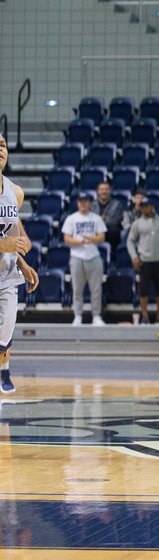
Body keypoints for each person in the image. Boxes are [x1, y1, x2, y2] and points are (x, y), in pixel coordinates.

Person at [0, 137, 39, 394]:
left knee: (5, 332)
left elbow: (13, 232)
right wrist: (3, 244)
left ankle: (4, 369)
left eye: (2, 145)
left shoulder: (15, 192)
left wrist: (23, 263)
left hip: (6, 274)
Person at [62, 191, 107, 326]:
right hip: (77, 257)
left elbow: (102, 237)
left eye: (86, 201)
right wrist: (79, 242)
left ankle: (96, 316)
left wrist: (91, 239)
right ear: (78, 203)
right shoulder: (71, 218)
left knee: (96, 289)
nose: (83, 204)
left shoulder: (96, 218)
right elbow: (66, 238)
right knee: (77, 288)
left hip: (93, 256)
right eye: (81, 201)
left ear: (90, 203)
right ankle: (78, 315)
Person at [128, 196, 159, 325]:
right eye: (142, 206)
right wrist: (134, 256)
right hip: (145, 261)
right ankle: (145, 316)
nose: (144, 208)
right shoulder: (137, 223)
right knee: (144, 291)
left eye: (146, 205)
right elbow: (130, 241)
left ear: (152, 206)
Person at [94, 181, 125, 254]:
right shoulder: (92, 205)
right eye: (102, 189)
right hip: (96, 229)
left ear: (110, 191)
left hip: (111, 231)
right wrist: (102, 219)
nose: (104, 192)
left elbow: (116, 221)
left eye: (106, 189)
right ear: (97, 191)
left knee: (114, 229)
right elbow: (91, 220)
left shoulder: (117, 204)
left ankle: (112, 255)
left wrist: (100, 220)